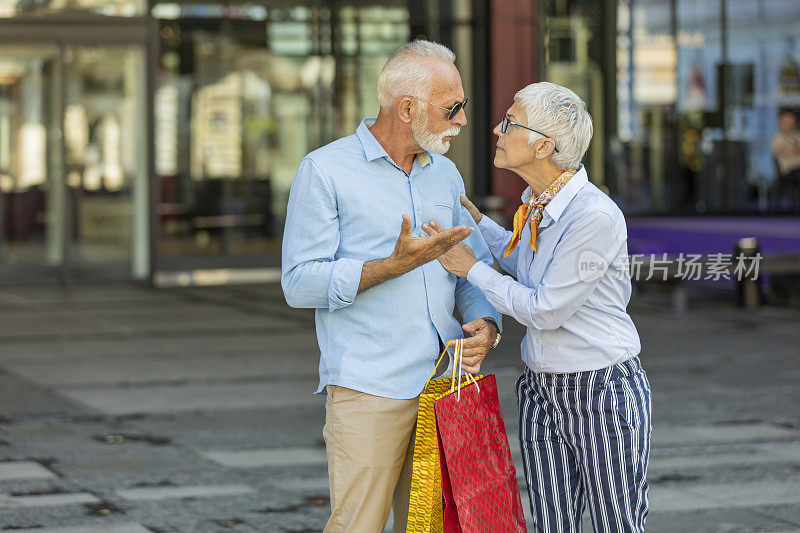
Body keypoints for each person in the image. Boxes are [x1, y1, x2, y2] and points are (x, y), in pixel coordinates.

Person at [281, 40, 502, 533]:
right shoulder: (324, 171)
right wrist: (392, 266)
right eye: (453, 108)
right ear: (407, 108)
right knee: (357, 526)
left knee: (435, 529)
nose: (463, 120)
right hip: (368, 389)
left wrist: (486, 323)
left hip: (444, 387)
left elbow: (472, 266)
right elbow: (298, 283)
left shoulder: (444, 174)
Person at [422, 82, 651, 532]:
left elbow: (545, 308)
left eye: (509, 122)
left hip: (601, 389)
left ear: (544, 145)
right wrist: (476, 222)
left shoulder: (593, 216)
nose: (495, 129)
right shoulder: (537, 204)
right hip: (542, 388)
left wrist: (471, 269)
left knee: (615, 523)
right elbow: (522, 263)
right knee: (551, 523)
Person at [770, 110, 800, 211]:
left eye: (791, 122)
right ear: (781, 123)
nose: (789, 125)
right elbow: (780, 151)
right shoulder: (777, 137)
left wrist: (791, 150)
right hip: (788, 170)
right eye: (786, 122)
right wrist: (794, 150)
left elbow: (791, 150)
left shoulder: (797, 136)